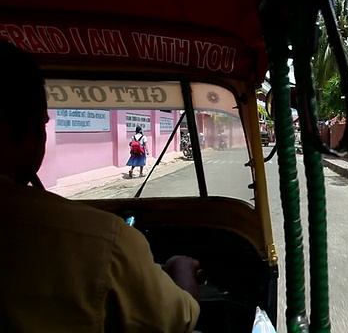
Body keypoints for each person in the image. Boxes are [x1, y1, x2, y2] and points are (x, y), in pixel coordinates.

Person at [0, 40, 200, 331]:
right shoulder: (106, 242)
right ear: (28, 126)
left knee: (137, 165)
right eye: (42, 125)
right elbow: (179, 319)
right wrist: (182, 267)